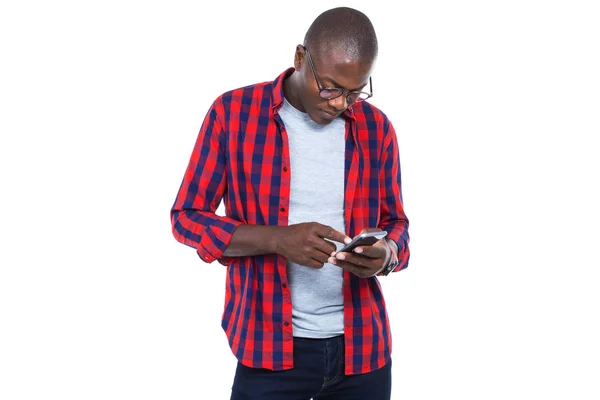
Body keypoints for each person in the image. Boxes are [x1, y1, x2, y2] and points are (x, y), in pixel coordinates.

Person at [170, 6, 410, 400]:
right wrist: (277, 239)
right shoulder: (233, 115)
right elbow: (186, 218)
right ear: (300, 58)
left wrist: (387, 254)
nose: (339, 104)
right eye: (330, 87)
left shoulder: (377, 128)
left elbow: (397, 223)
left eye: (354, 92)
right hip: (269, 353)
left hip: (363, 352)